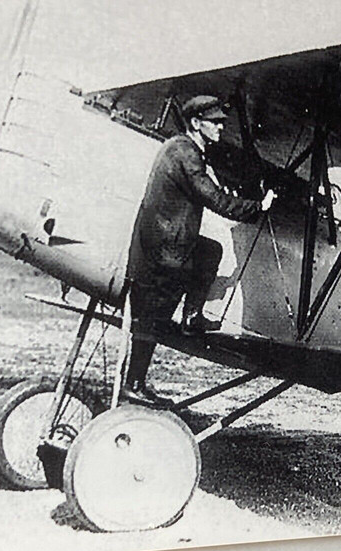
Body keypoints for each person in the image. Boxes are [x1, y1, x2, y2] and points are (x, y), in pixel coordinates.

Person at [124, 95, 276, 406]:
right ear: (196, 123)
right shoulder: (187, 153)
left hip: (160, 245)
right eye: (215, 122)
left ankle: (191, 319)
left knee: (209, 252)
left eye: (222, 121)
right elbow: (214, 199)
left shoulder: (176, 147)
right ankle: (136, 383)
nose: (222, 126)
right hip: (168, 252)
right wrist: (258, 207)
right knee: (154, 318)